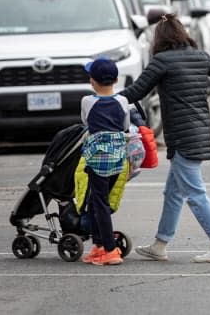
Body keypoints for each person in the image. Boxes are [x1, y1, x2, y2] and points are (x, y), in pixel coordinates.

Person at [120, 13, 210, 263]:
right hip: (200, 131)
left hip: (183, 136)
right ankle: (160, 244)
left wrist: (105, 97)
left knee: (195, 192)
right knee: (173, 193)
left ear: (159, 38)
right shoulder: (200, 56)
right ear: (183, 33)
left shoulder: (161, 61)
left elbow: (135, 92)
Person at [80, 57, 130, 265]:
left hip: (97, 162)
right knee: (95, 201)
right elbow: (125, 126)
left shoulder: (87, 101)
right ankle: (99, 245)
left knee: (99, 203)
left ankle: (110, 250)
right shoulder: (123, 101)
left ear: (92, 81)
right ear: (116, 79)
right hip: (118, 160)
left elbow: (85, 122)